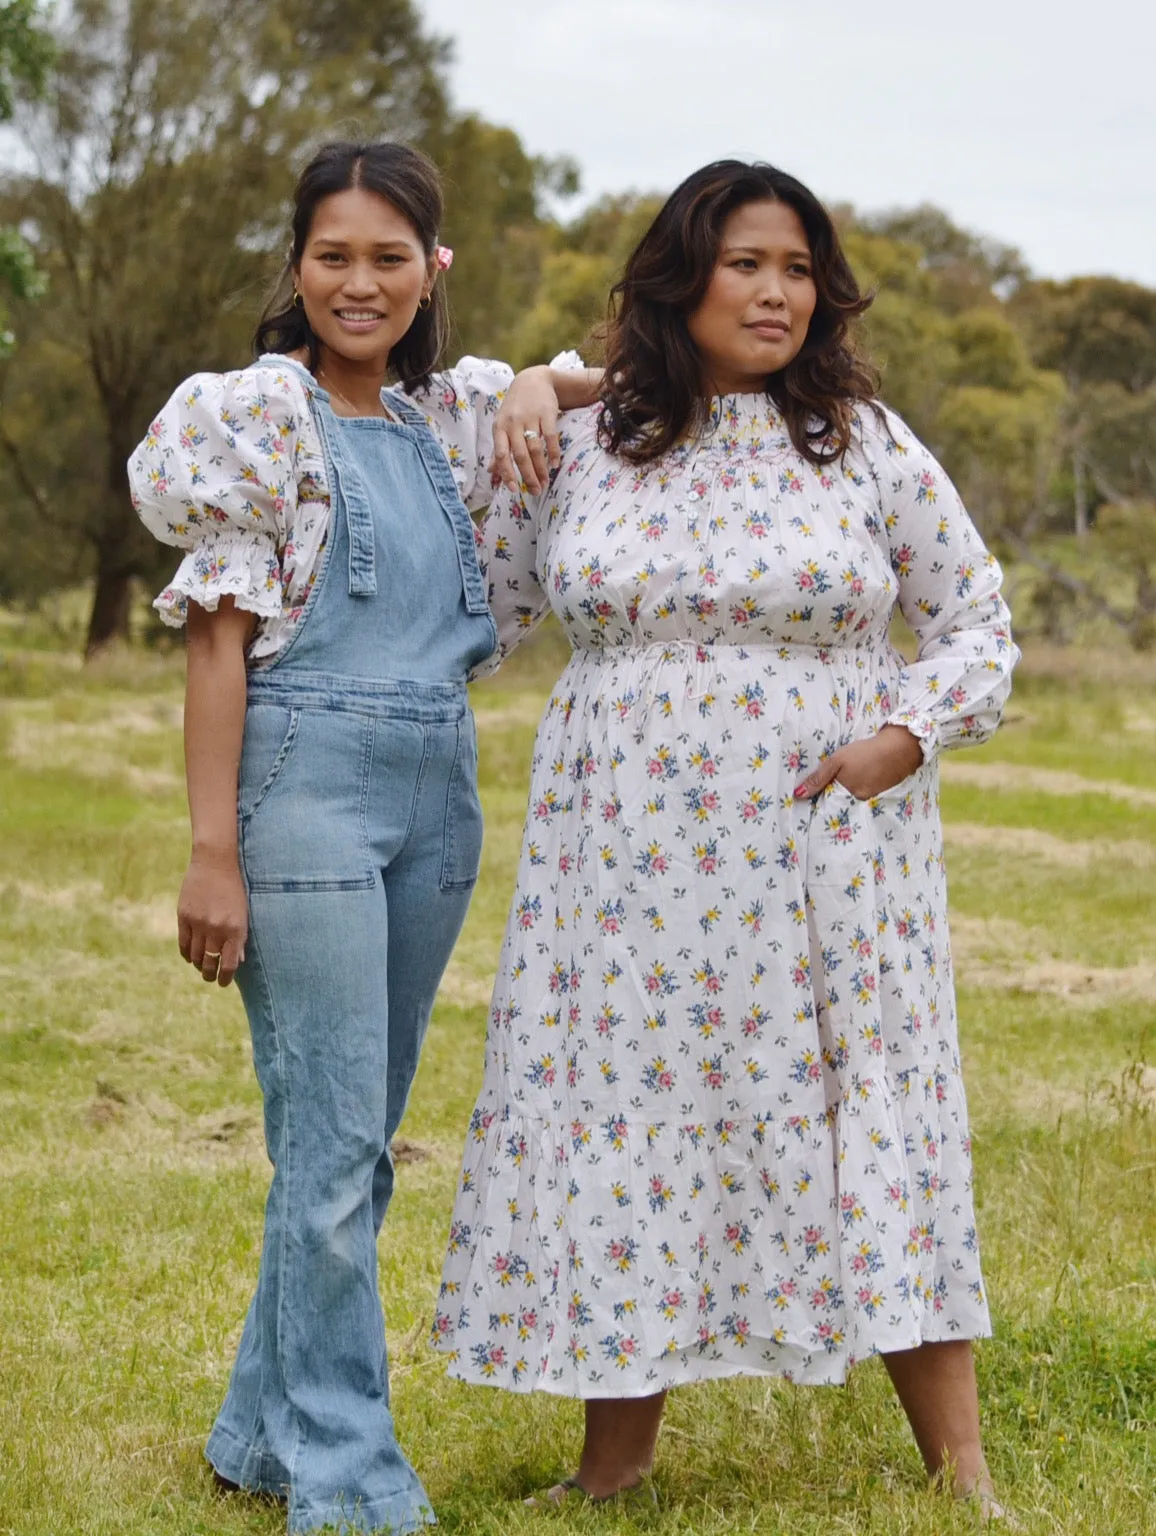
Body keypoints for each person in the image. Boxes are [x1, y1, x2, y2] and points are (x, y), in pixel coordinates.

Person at [433, 159, 1018, 1519]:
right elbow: (484, 605)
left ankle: (964, 1474)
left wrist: (906, 735)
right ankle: (612, 1467)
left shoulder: (866, 442)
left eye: (799, 269)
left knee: (866, 1111)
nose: (775, 292)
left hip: (830, 843)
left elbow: (979, 619)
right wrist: (530, 381)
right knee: (631, 1121)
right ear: (679, 278)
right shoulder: (585, 445)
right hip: (622, 864)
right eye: (746, 263)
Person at [128, 139, 594, 1535]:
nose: (359, 281)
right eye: (333, 255)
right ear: (296, 267)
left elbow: (607, 374)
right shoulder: (257, 417)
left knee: (359, 1147)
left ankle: (261, 1432)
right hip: (303, 780)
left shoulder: (452, 419)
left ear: (431, 270)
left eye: (390, 256)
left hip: (436, 791)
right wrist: (214, 848)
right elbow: (219, 645)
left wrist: (530, 381)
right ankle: (351, 1480)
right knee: (329, 1151)